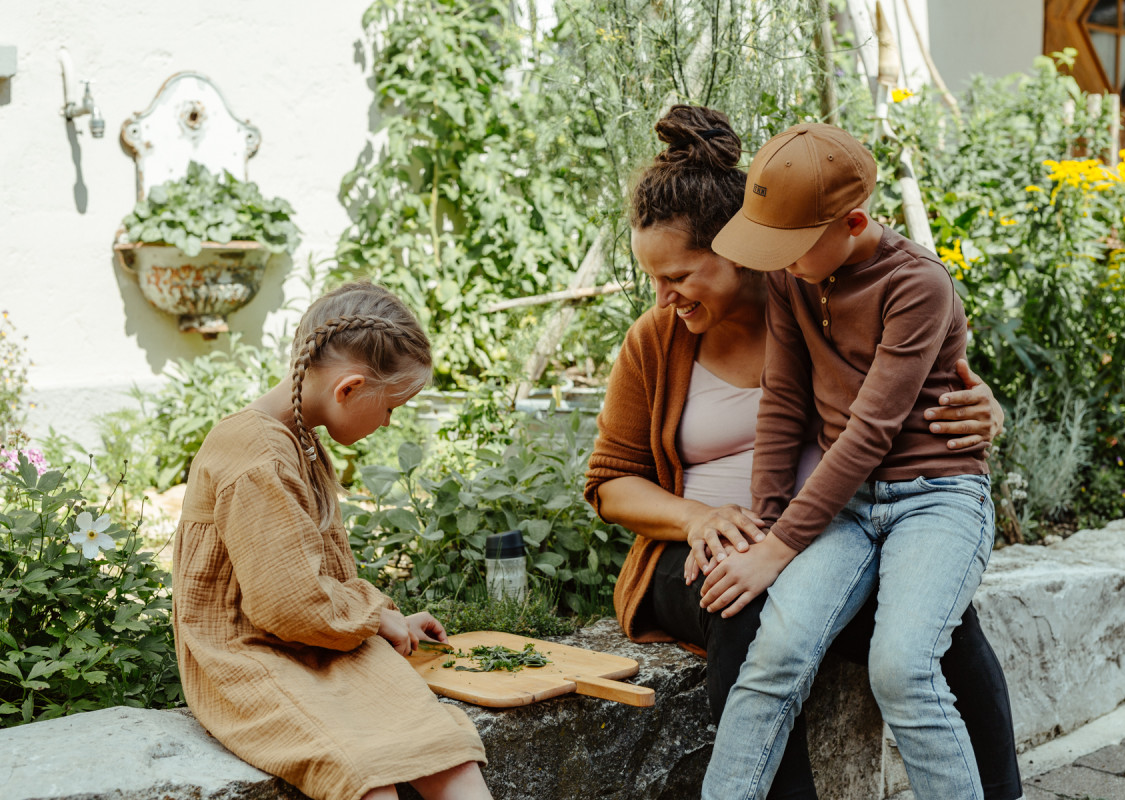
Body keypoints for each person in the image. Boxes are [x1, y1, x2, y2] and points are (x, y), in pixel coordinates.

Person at [584, 106, 1021, 800]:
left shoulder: (815, 289)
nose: (661, 298)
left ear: (736, 248)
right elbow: (610, 483)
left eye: (679, 276)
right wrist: (704, 520)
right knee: (748, 612)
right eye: (653, 280)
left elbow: (897, 399)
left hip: (828, 523)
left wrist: (982, 407)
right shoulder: (658, 339)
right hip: (717, 542)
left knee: (944, 632)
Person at [698, 122, 999, 800]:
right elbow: (783, 402)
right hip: (848, 508)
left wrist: (778, 548)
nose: (777, 262)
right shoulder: (793, 278)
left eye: (790, 248)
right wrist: (768, 522)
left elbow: (871, 431)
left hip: (937, 496)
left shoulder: (917, 284)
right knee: (771, 657)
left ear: (855, 221)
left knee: (902, 668)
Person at [172, 281, 491, 800]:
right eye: (392, 408)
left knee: (440, 748)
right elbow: (287, 604)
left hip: (315, 639)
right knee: (364, 774)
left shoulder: (297, 436)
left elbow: (309, 582)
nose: (388, 422)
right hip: (251, 655)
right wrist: (371, 616)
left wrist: (383, 619)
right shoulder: (257, 456)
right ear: (349, 388)